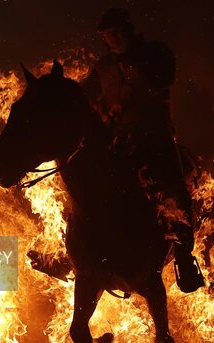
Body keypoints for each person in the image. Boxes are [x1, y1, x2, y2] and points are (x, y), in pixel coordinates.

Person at [82, 8, 205, 293]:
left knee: (173, 185)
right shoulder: (102, 68)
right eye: (106, 35)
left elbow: (162, 80)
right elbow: (86, 94)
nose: (112, 39)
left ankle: (184, 255)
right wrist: (97, 109)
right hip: (117, 141)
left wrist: (127, 104)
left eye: (115, 32)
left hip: (153, 136)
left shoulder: (154, 53)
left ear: (127, 29)